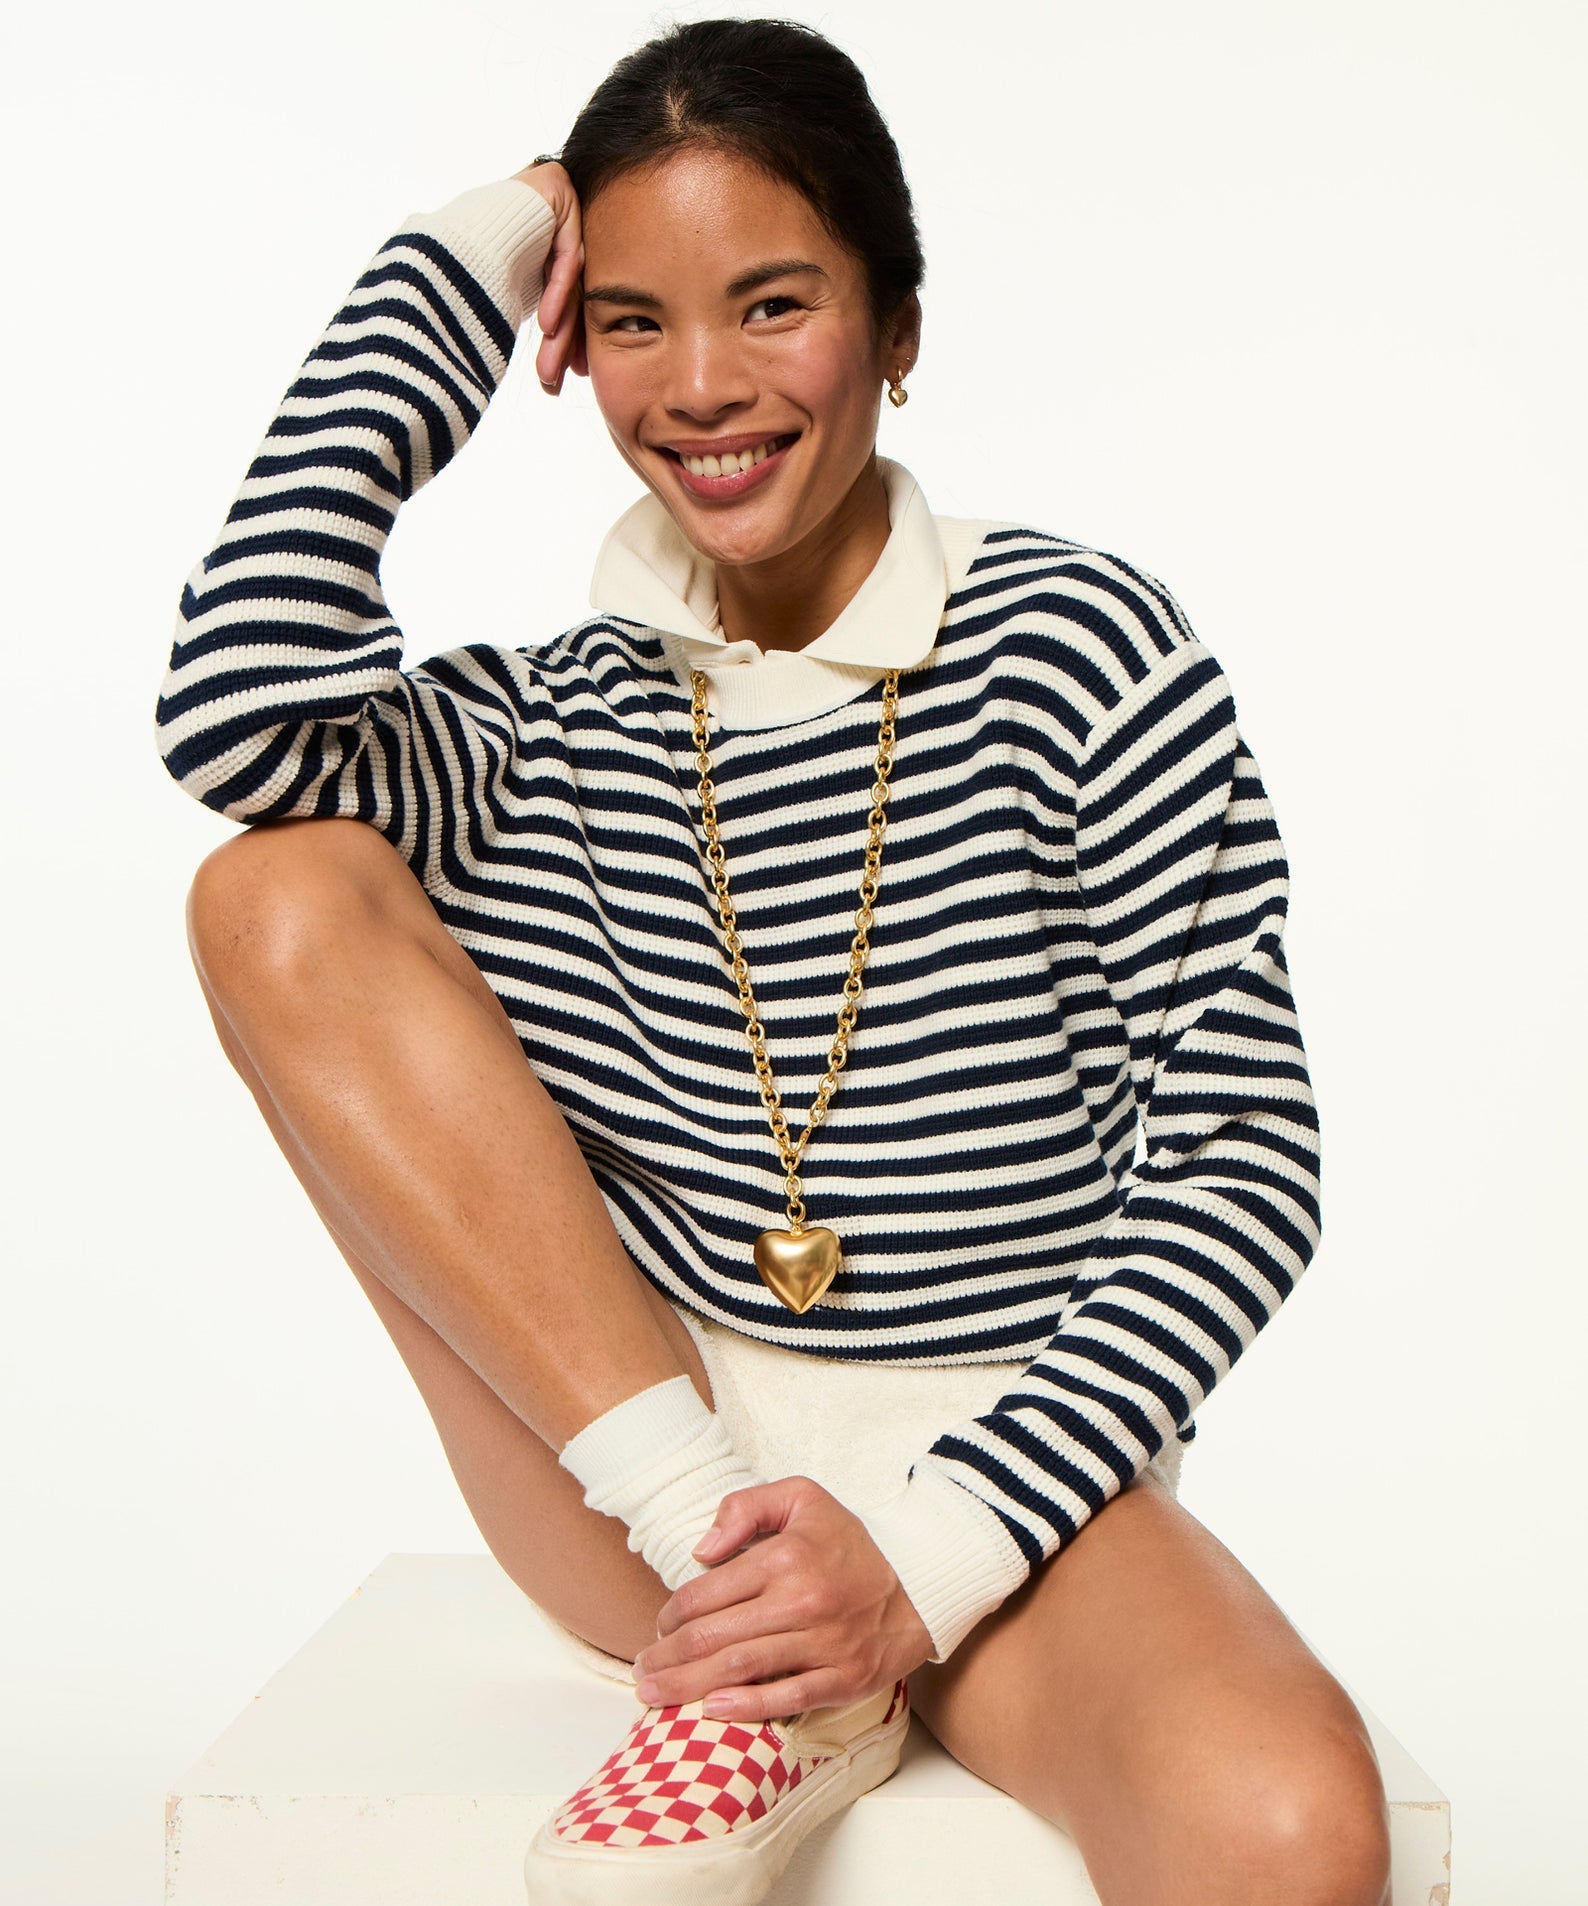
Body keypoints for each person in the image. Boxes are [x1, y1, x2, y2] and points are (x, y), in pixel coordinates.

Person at [155, 16, 1391, 1905]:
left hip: (1003, 1467)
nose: (704, 385)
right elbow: (235, 711)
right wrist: (464, 261)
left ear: (898, 325)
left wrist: (919, 1556)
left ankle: (808, 1648)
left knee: (1290, 1830)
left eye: (774, 303)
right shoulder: (544, 726)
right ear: (570, 347)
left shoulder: (1079, 648)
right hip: (647, 1470)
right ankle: (747, 1635)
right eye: (632, 319)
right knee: (272, 890)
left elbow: (1245, 1160)